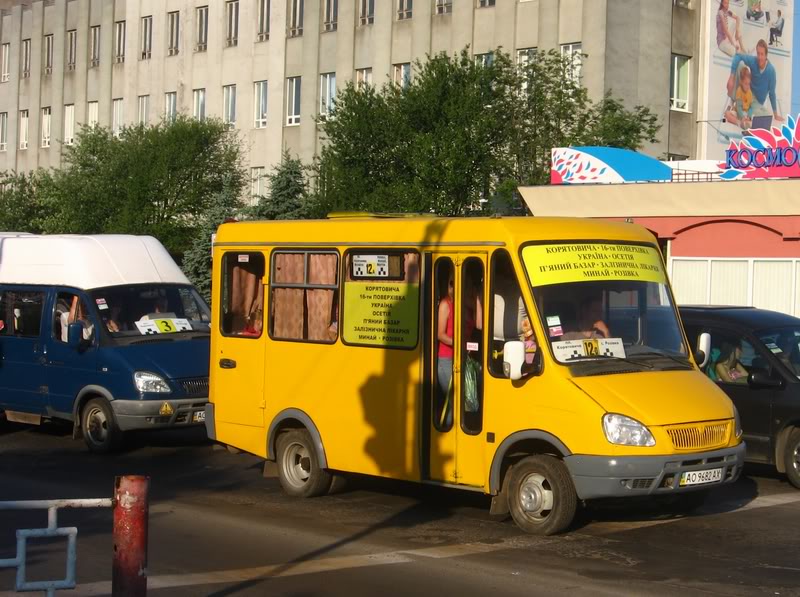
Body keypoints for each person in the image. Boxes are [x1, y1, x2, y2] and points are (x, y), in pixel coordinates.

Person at [727, 40, 782, 123]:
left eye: (762, 54)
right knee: (740, 65)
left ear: (766, 55)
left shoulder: (771, 71)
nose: (759, 57)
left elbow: (772, 94)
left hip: (756, 102)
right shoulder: (754, 61)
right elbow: (738, 56)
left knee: (766, 117)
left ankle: (741, 115)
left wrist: (776, 114)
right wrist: (731, 77)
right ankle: (733, 101)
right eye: (758, 53)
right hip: (747, 92)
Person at [437, 265, 455, 428]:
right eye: (450, 283)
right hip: (445, 360)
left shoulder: (462, 303)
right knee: (453, 401)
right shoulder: (445, 304)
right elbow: (440, 334)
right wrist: (458, 343)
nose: (453, 287)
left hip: (458, 358)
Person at [725, 65, 754, 129]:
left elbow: (751, 107)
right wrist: (742, 117)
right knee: (727, 114)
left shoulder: (750, 93)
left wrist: (748, 116)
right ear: (741, 82)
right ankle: (739, 122)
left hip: (746, 113)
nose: (747, 86)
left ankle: (747, 123)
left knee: (755, 117)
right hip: (738, 112)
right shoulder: (739, 91)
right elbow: (738, 107)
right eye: (745, 84)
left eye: (749, 84)